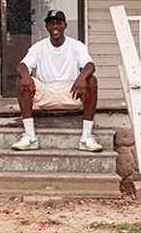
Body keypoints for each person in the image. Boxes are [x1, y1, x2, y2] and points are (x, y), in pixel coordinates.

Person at [13, 9, 103, 152]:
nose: (55, 27)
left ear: (65, 26)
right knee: (21, 80)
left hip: (71, 93)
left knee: (91, 81)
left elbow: (90, 65)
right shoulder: (39, 47)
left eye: (58, 23)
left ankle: (86, 137)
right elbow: (22, 65)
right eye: (51, 23)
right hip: (46, 93)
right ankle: (30, 136)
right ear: (47, 27)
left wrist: (81, 77)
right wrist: (25, 75)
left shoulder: (76, 45)